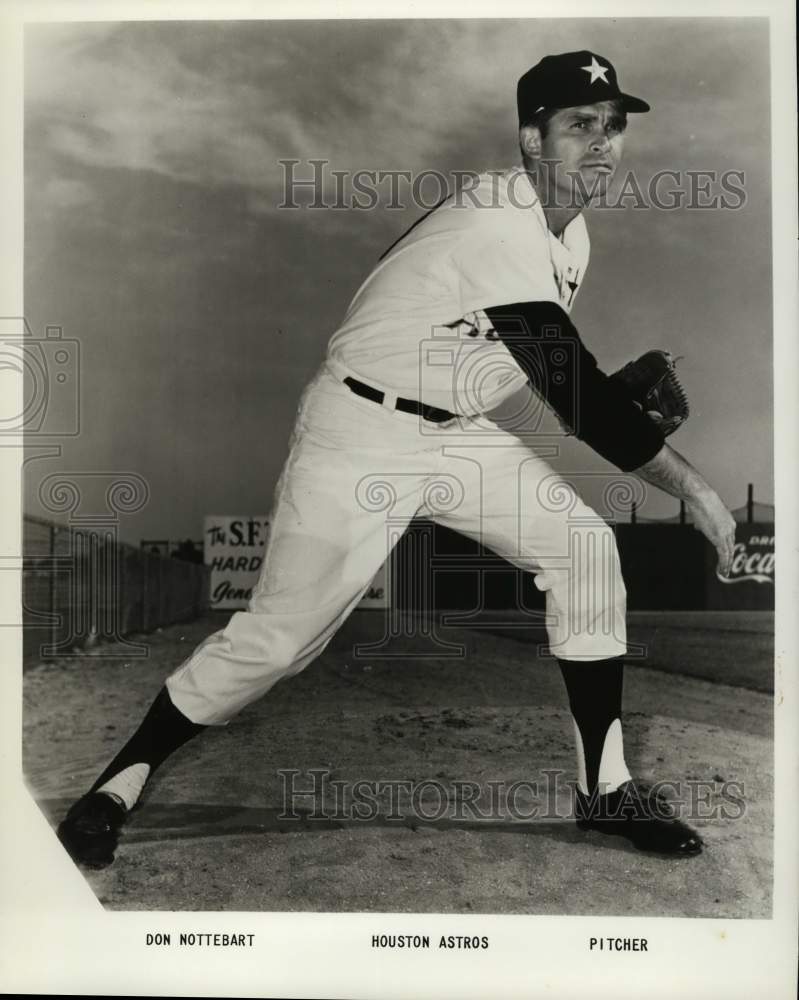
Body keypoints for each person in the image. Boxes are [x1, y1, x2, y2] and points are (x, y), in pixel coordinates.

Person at [58, 50, 736, 869]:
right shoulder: (497, 216)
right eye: (579, 125)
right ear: (530, 140)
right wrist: (690, 487)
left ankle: (605, 786)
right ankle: (117, 784)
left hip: (460, 434)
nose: (601, 143)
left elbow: (524, 368)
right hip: (359, 431)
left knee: (585, 550)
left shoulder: (572, 235)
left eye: (613, 126)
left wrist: (593, 397)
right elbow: (573, 392)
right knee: (279, 639)